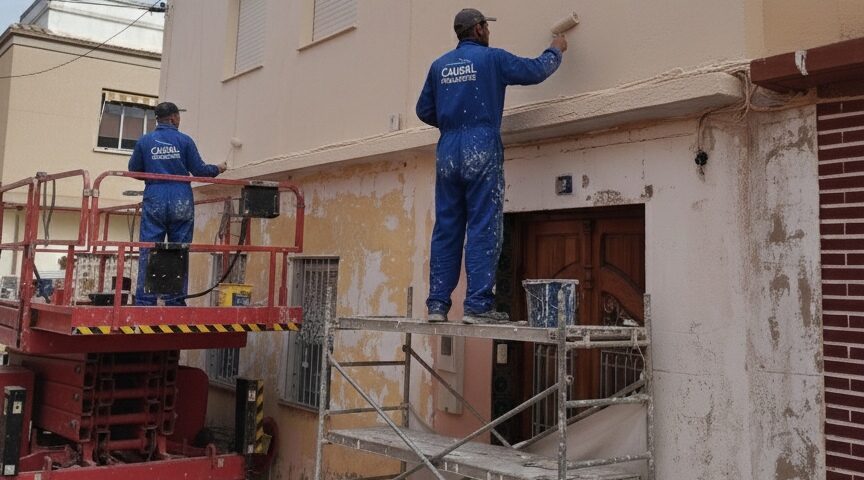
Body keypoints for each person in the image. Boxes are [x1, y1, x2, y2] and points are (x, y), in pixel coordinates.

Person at [416, 8, 567, 324]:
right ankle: (477, 306)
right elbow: (535, 70)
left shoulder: (439, 66)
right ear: (479, 29)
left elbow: (423, 110)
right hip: (481, 146)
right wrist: (556, 49)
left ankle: (437, 306)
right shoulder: (492, 60)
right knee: (484, 224)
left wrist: (451, 119)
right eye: (487, 26)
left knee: (447, 227)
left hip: (448, 150)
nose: (489, 31)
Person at [128, 102, 226, 305]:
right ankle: (174, 300)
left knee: (149, 247)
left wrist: (154, 178)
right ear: (173, 118)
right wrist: (218, 168)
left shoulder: (145, 141)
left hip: (155, 195)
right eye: (178, 117)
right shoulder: (184, 141)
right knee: (178, 248)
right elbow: (199, 170)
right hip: (180, 197)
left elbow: (134, 169)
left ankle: (145, 301)